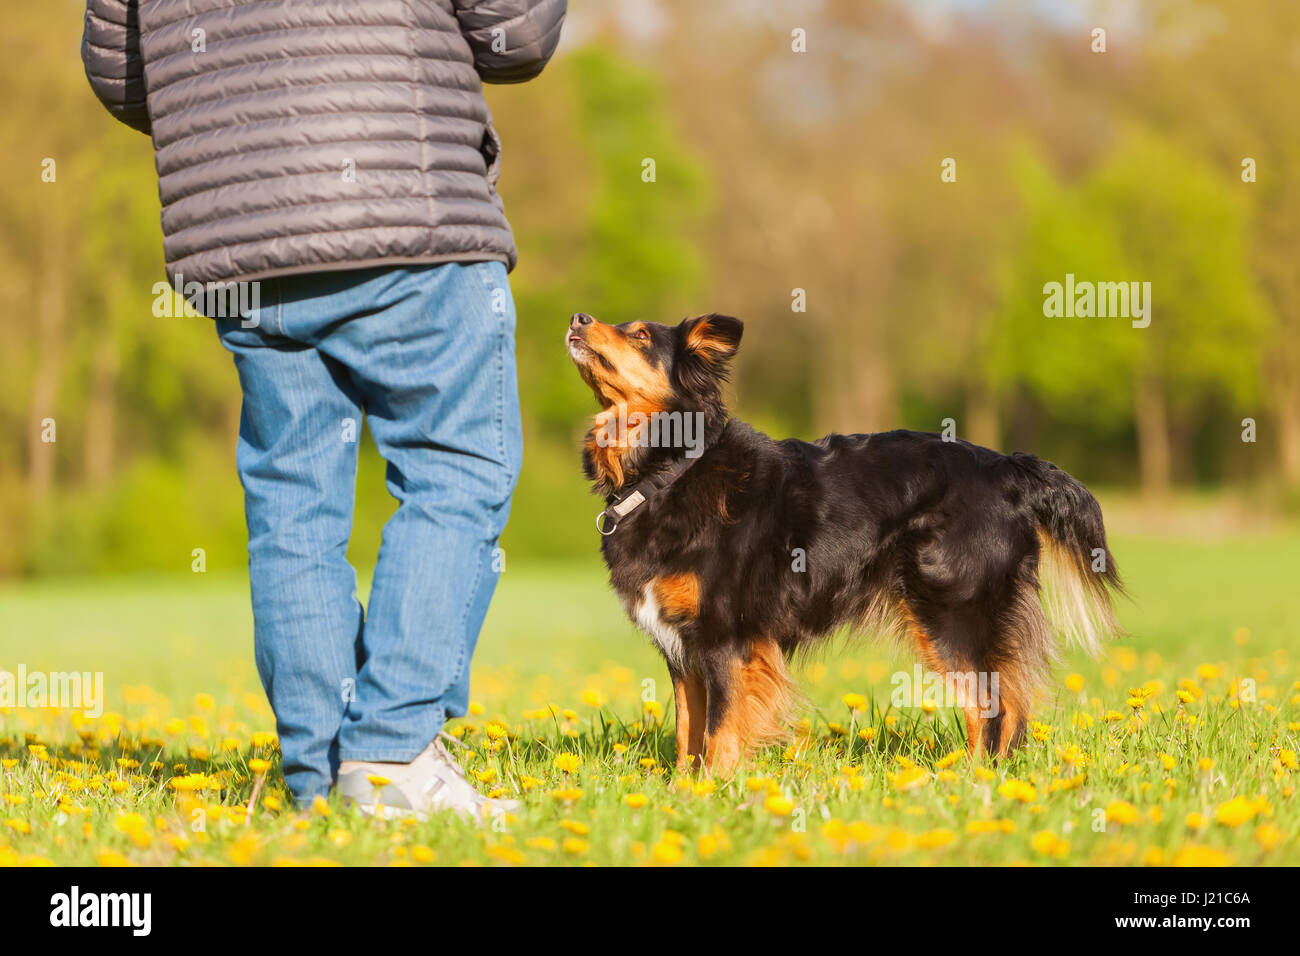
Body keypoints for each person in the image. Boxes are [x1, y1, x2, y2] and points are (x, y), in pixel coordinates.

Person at [81, 0, 566, 819]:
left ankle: (320, 775)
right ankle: (390, 757)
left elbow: (120, 74)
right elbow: (514, 34)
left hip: (238, 232)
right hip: (406, 209)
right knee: (457, 466)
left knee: (292, 503)